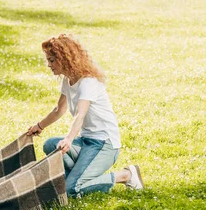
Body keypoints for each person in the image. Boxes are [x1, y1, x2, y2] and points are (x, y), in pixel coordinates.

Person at [26, 34, 143, 197]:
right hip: (86, 142)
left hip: (104, 144)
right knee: (50, 145)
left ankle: (125, 175)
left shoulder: (87, 82)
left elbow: (80, 114)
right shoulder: (68, 81)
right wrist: (39, 127)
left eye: (52, 60)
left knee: (71, 190)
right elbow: (58, 109)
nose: (48, 65)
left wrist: (68, 139)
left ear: (64, 59)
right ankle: (77, 176)